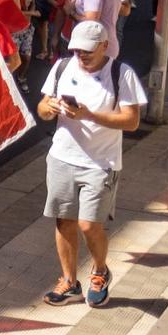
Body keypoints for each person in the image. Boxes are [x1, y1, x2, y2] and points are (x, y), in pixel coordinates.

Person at [37, 20, 144, 309]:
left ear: (104, 46)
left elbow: (131, 121)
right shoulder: (62, 67)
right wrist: (51, 108)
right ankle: (69, 282)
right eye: (76, 49)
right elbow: (43, 107)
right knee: (64, 221)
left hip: (100, 163)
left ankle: (99, 271)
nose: (80, 55)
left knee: (88, 225)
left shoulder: (122, 74)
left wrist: (88, 115)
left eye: (86, 50)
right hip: (62, 157)